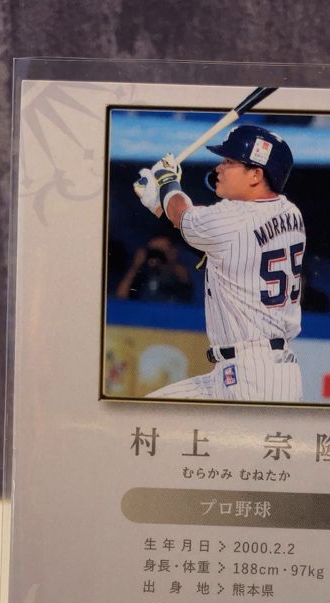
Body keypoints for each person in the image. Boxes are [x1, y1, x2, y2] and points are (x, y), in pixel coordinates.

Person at [132, 125, 305, 402]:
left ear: (256, 175)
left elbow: (184, 215)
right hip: (253, 370)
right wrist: (160, 203)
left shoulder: (234, 217)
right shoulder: (291, 212)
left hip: (254, 378)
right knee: (147, 413)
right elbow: (219, 244)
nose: (219, 168)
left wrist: (167, 183)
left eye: (229, 161)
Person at [114, 235, 193, 303]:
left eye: (161, 252)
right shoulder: (141, 272)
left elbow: (187, 293)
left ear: (172, 252)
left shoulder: (177, 271)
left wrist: (170, 262)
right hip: (143, 312)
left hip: (169, 312)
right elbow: (120, 296)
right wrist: (136, 265)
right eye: (154, 251)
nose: (157, 256)